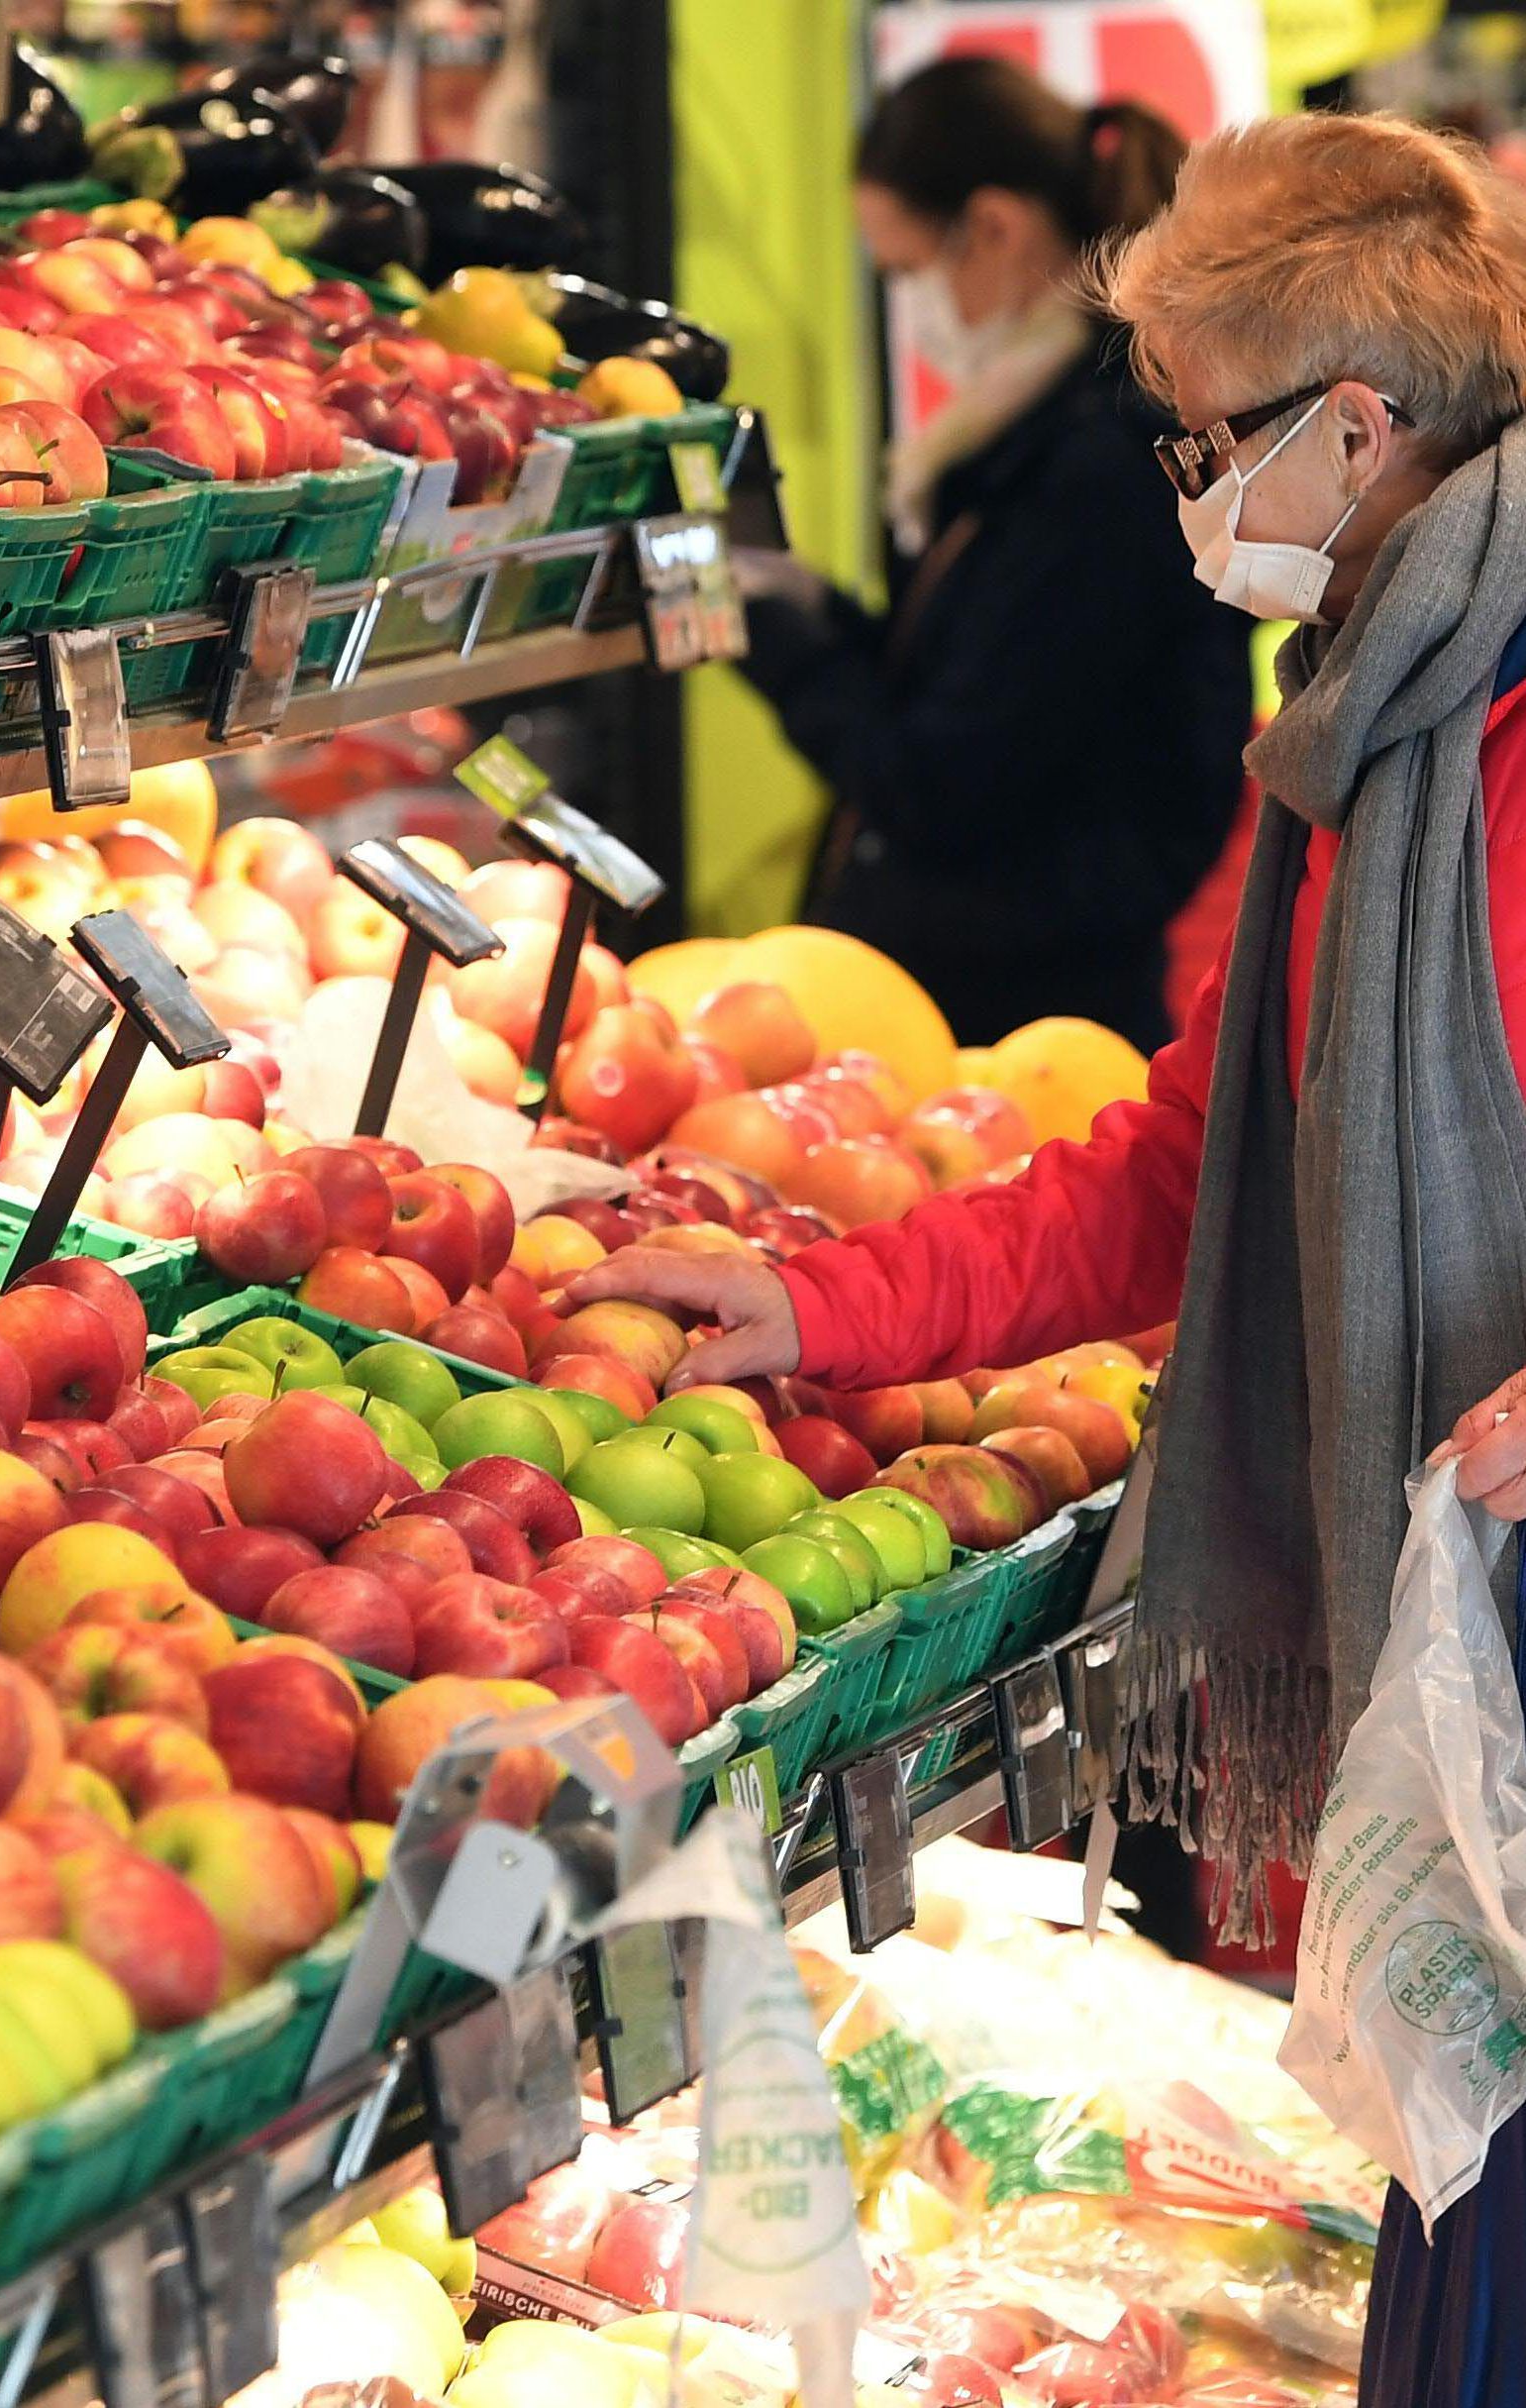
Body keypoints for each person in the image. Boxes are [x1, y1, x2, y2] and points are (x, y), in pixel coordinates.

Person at [575, 110, 1526, 2403]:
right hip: (1469, 1669)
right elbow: (1184, 1164)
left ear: (1357, 428)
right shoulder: (1358, 746)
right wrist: (823, 1302)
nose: (1196, 496)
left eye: (1208, 441)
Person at [731, 55, 1251, 1053]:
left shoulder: (1094, 466)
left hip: (1027, 1024)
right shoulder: (1038, 436)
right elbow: (972, 688)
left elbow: (944, 778)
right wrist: (809, 607)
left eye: (903, 268)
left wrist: (772, 632)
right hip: (999, 994)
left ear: (996, 228)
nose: (911, 306)